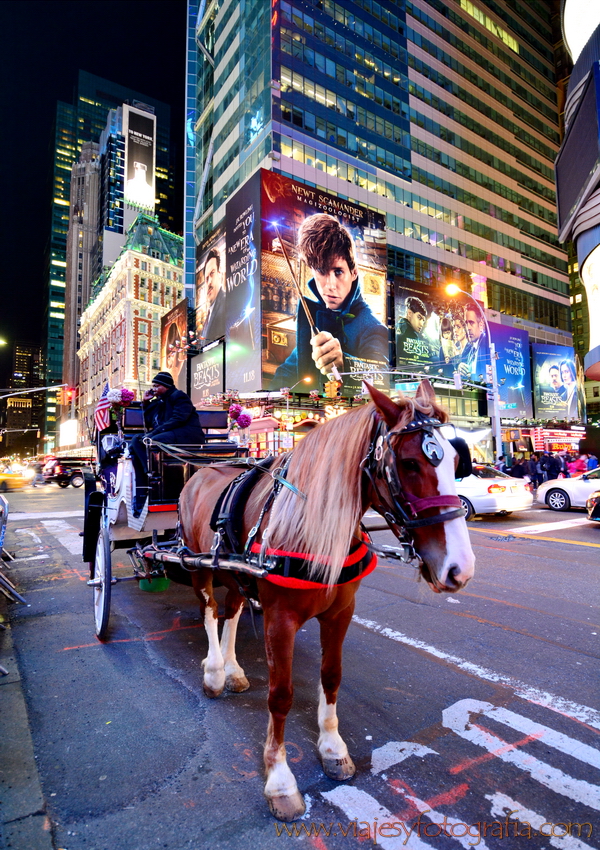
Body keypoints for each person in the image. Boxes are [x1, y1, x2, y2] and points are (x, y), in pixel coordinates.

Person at [272, 214, 388, 387]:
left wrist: (345, 365)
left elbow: (382, 379)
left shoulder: (373, 328)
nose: (330, 285)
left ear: (353, 272)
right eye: (321, 271)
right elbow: (285, 373)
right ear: (312, 271)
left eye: (338, 272)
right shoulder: (316, 318)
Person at [128, 372, 206, 516]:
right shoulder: (160, 401)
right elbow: (150, 421)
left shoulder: (179, 396)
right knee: (135, 442)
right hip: (171, 434)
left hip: (186, 434)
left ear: (166, 386)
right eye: (153, 386)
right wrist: (145, 403)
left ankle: (150, 470)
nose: (154, 389)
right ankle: (147, 470)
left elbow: (178, 419)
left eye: (157, 386)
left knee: (149, 440)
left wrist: (153, 435)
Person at [199, 249, 226, 343]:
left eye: (212, 273)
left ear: (220, 274)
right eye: (206, 279)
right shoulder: (209, 313)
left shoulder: (227, 302)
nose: (209, 282)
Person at [457, 303, 489, 382]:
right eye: (466, 323)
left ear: (481, 325)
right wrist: (460, 371)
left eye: (471, 323)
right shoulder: (469, 349)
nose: (468, 328)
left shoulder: (487, 346)